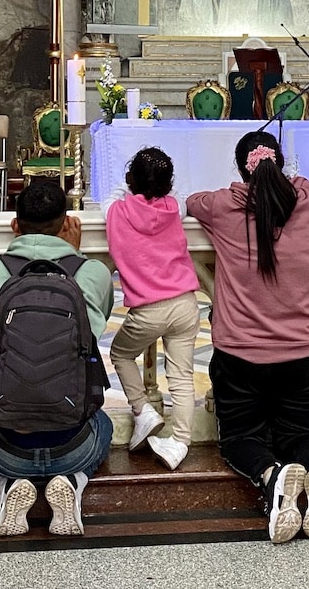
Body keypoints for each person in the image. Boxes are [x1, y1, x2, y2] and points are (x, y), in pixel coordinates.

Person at [186, 131, 309, 544]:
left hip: (240, 353)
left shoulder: (223, 207)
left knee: (240, 438)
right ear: (282, 164)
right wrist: (291, 183)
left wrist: (241, 190)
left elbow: (193, 201)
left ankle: (272, 478)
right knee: (300, 432)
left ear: (242, 169)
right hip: (302, 350)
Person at [0, 178, 114, 538]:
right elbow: (94, 331)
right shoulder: (93, 273)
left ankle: (6, 482)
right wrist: (74, 258)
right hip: (74, 445)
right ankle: (73, 480)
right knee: (104, 424)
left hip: (7, 449)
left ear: (15, 225)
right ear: (66, 225)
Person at [102, 147, 200, 470]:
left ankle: (143, 410)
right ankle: (181, 443)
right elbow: (183, 198)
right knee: (182, 376)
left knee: (120, 353)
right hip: (186, 303)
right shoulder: (174, 208)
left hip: (148, 310)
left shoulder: (116, 211)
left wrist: (129, 184)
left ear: (131, 180)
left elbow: (112, 195)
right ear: (167, 184)